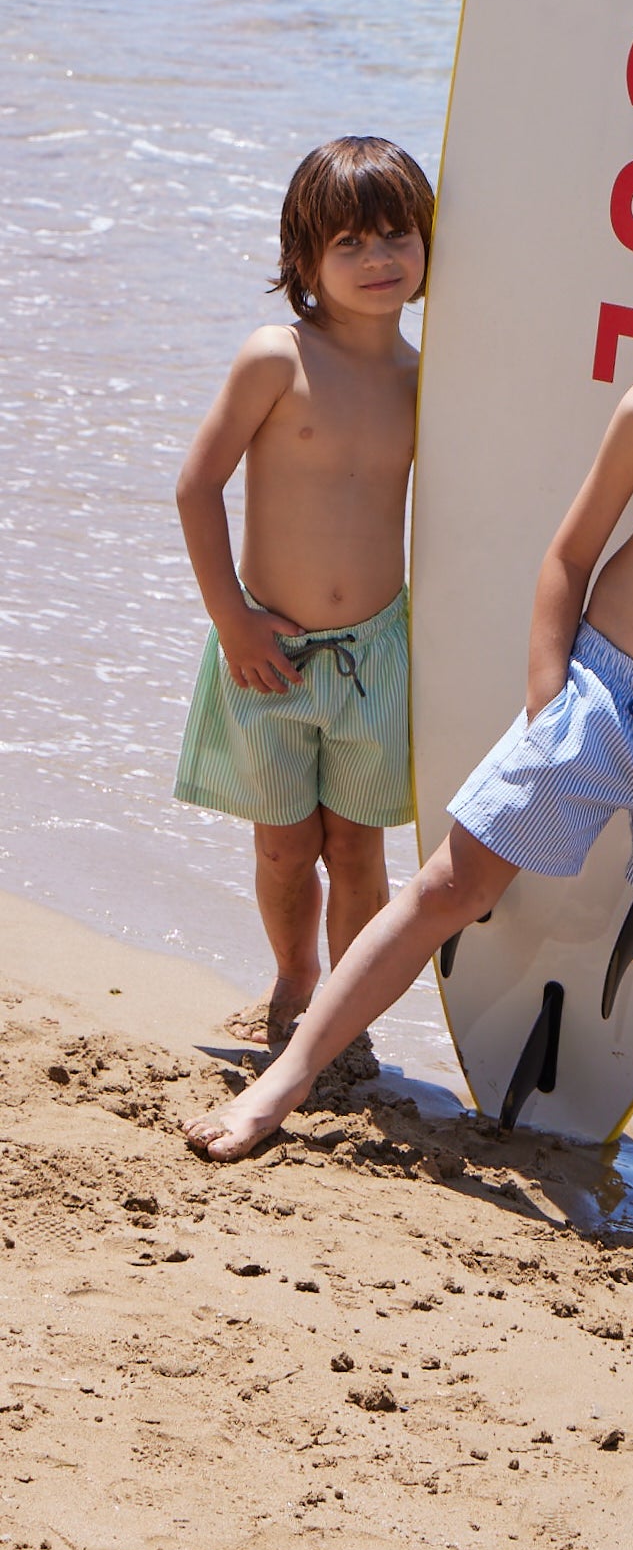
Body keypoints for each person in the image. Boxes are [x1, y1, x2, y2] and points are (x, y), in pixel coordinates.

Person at [183, 144, 633, 1257]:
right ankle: (282, 1081)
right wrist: (546, 695)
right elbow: (566, 559)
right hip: (603, 689)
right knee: (450, 883)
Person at [173, 138, 434, 1052]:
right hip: (266, 653)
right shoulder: (276, 357)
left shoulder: (429, 382)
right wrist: (232, 621)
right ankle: (293, 976)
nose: (379, 260)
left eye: (399, 237)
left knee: (358, 849)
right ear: (303, 261)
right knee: (285, 847)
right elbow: (196, 486)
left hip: (377, 655)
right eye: (352, 243)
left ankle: (344, 1022)